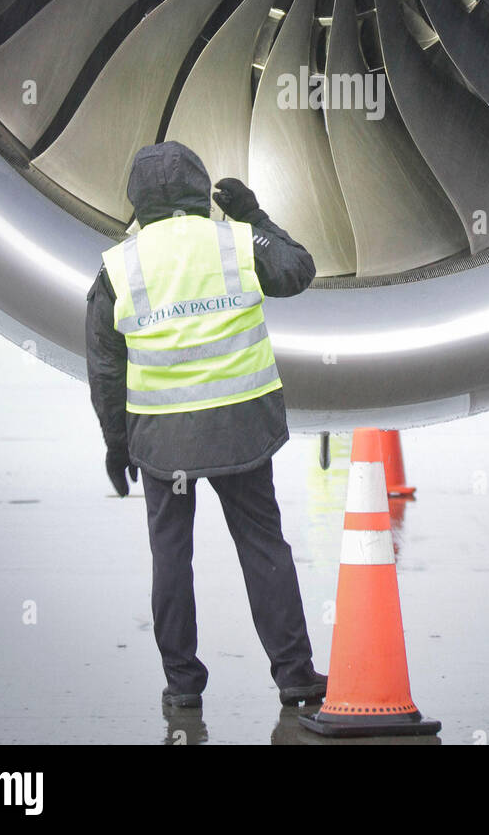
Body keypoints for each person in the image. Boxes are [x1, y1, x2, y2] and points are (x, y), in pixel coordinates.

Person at [85, 140, 326, 713]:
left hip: (162, 441)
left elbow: (105, 368)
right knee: (263, 546)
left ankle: (182, 685)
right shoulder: (235, 242)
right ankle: (294, 674)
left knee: (170, 556)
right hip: (241, 430)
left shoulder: (119, 266)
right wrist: (255, 217)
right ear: (199, 190)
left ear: (137, 200)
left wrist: (117, 448)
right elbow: (298, 270)